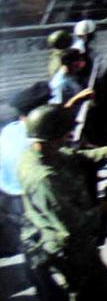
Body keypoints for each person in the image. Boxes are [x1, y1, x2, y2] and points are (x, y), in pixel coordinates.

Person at [19, 104, 107, 300]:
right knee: (86, 290)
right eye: (65, 134)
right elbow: (69, 224)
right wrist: (102, 209)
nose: (68, 137)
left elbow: (78, 157)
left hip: (78, 243)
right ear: (52, 137)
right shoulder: (43, 178)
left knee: (99, 277)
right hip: (66, 247)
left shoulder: (46, 153)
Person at [0, 82, 51, 259]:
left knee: (29, 244)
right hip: (30, 194)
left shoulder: (9, 130)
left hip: (10, 194)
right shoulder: (35, 137)